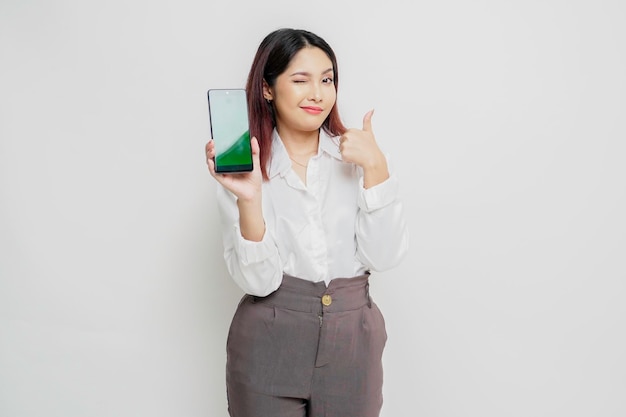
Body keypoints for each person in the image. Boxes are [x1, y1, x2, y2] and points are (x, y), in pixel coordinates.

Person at [204, 27, 409, 417]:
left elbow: (384, 256)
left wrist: (377, 168)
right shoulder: (247, 170)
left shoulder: (361, 157)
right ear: (268, 89)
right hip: (268, 342)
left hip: (353, 342)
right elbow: (259, 283)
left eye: (327, 79)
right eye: (301, 80)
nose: (318, 93)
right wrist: (249, 199)